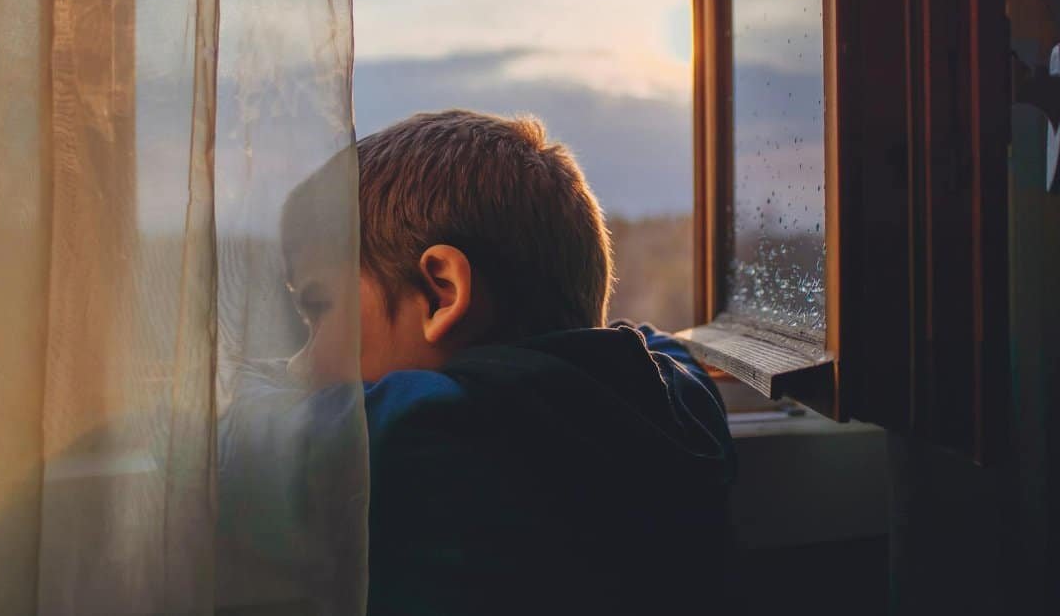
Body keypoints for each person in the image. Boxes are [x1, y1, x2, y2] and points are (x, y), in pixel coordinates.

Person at [281, 110, 736, 615]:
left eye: (318, 309)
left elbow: (226, 438)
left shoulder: (426, 430)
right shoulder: (687, 409)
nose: (299, 364)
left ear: (442, 294)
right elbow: (662, 346)